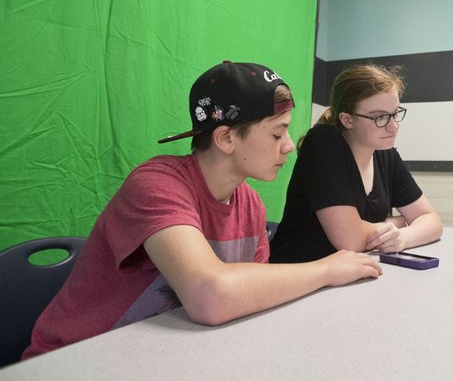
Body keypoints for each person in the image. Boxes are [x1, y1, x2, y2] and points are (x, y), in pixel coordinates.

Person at [23, 61, 382, 359]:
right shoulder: (157, 185)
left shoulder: (250, 203)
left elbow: (252, 300)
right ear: (225, 138)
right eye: (277, 134)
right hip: (77, 361)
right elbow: (211, 297)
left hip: (165, 356)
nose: (289, 146)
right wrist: (326, 270)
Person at [270, 64, 442, 263]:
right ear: (347, 120)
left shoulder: (385, 154)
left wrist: (401, 237)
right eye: (380, 117)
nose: (393, 126)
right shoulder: (323, 144)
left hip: (348, 279)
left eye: (395, 113)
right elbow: (349, 239)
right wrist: (393, 223)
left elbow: (432, 221)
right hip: (297, 278)